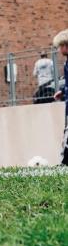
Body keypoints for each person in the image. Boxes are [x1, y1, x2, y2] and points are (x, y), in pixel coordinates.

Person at [52, 30, 68, 166]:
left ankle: (65, 162)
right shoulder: (66, 64)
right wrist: (62, 91)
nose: (60, 49)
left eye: (61, 46)